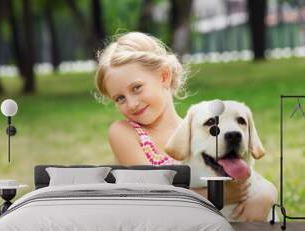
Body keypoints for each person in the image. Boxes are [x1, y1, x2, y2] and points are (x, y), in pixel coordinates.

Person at [94, 32, 276, 221]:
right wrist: (216, 197)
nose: (131, 104)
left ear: (164, 76)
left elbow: (246, 173)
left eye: (137, 88)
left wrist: (266, 194)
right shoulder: (124, 132)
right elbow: (152, 192)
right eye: (120, 98)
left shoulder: (196, 131)